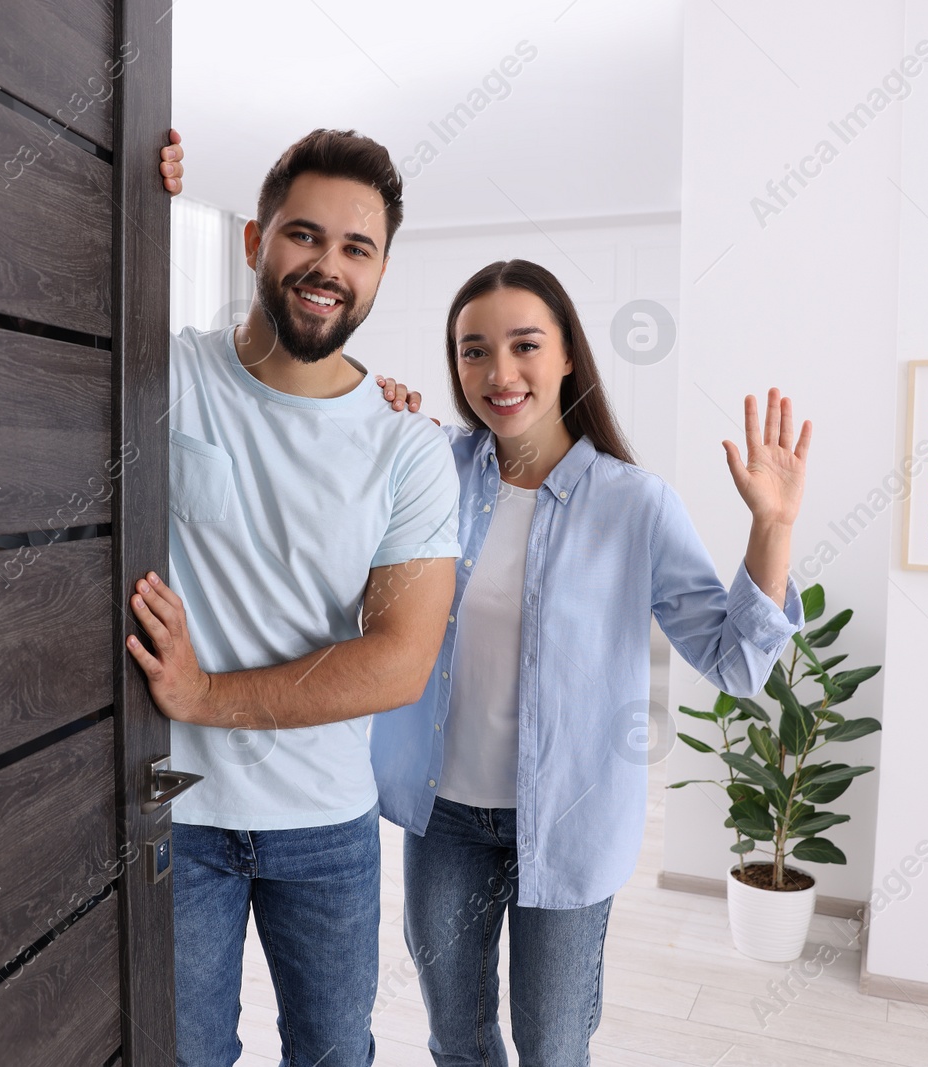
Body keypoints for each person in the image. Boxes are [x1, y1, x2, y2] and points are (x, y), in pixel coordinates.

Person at [368, 259, 811, 1066]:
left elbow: (738, 664)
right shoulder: (433, 469)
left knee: (551, 1046)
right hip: (446, 820)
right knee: (456, 1039)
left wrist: (772, 528)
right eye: (473, 351)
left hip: (567, 826)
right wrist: (382, 419)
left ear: (568, 352)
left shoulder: (634, 502)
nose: (499, 373)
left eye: (524, 345)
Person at [127, 128, 457, 1067]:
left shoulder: (408, 448)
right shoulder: (168, 373)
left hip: (323, 820)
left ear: (383, 269)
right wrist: (118, 186)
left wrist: (205, 697)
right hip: (176, 811)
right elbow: (55, 295)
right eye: (304, 235)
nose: (329, 266)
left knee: (332, 1055)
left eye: (358, 248)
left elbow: (398, 658)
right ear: (252, 239)